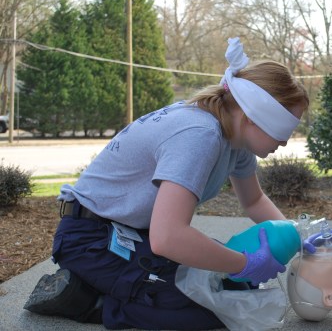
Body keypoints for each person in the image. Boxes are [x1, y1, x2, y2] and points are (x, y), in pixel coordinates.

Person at [23, 37, 310, 330]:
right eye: (284, 126)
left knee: (230, 288)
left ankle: (110, 285)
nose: (286, 140)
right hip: (89, 239)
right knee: (217, 308)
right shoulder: (202, 134)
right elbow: (168, 237)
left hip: (131, 235)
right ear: (254, 116)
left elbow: (254, 201)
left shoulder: (235, 141)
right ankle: (85, 299)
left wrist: (300, 238)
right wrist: (244, 263)